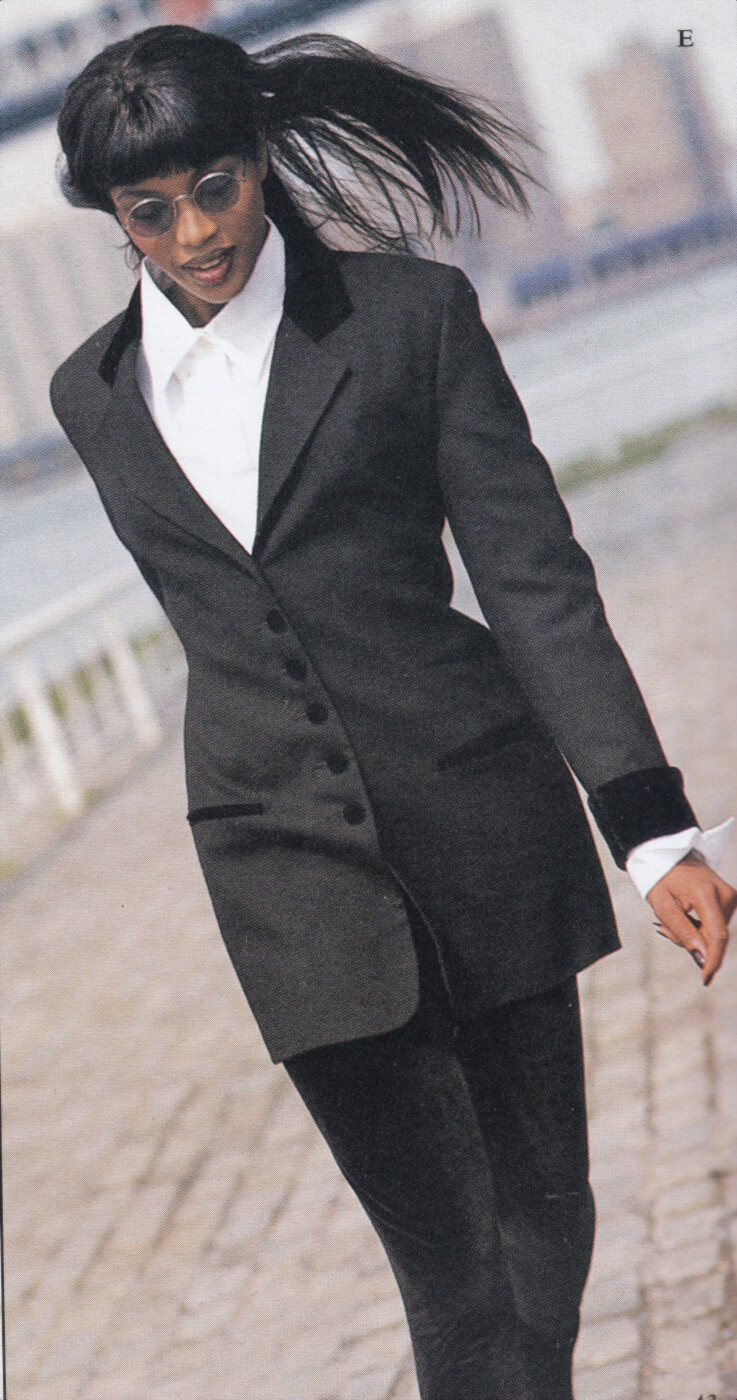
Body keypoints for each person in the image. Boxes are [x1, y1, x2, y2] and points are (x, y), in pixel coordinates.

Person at [50, 24, 735, 1399]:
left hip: (481, 823)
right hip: (286, 876)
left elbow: (532, 577)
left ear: (260, 161)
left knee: (547, 1238)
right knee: (454, 1280)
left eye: (215, 189)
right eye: (150, 210)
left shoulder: (410, 318)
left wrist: (650, 827)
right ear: (114, 217)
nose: (194, 233)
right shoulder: (94, 398)